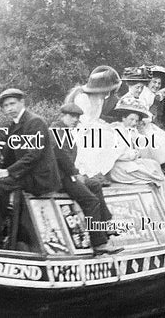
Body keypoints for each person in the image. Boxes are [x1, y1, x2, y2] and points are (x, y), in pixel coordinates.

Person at [0, 89, 61, 240]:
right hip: (26, 173)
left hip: (39, 176)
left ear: (22, 102)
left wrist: (8, 172)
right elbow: (9, 155)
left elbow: (34, 155)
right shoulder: (14, 125)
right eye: (6, 106)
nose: (9, 108)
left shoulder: (34, 122)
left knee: (1, 185)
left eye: (12, 104)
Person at [51, 103, 123, 254]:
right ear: (62, 116)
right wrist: (75, 174)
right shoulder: (56, 132)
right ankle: (99, 243)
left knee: (95, 185)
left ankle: (106, 225)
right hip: (59, 178)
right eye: (71, 116)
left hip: (66, 175)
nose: (75, 119)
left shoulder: (64, 131)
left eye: (77, 117)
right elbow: (62, 156)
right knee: (91, 201)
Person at [108, 97, 165, 200]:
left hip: (128, 164)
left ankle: (163, 198)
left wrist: (140, 134)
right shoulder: (115, 130)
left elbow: (143, 149)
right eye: (131, 119)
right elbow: (116, 154)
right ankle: (162, 199)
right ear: (123, 118)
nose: (134, 123)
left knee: (154, 164)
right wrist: (133, 154)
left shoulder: (132, 131)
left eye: (136, 120)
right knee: (155, 175)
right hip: (117, 167)